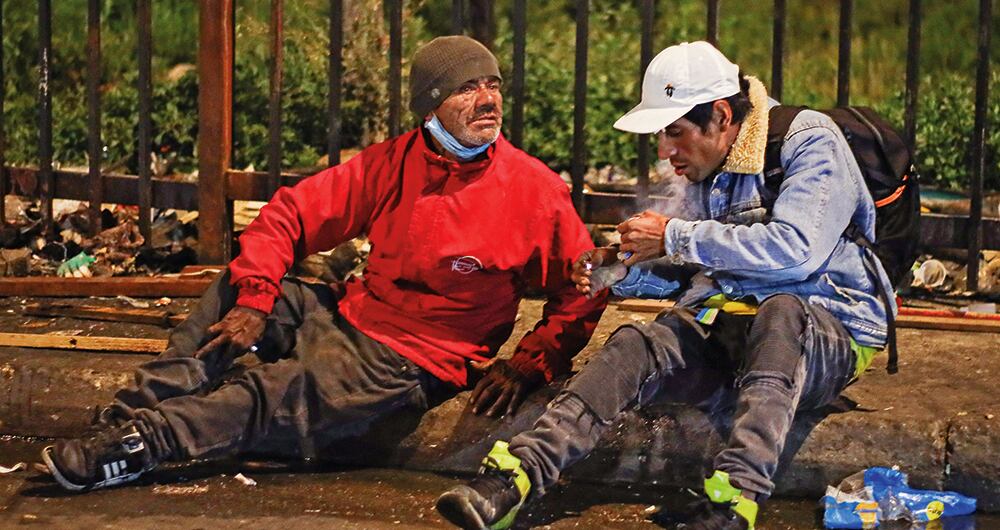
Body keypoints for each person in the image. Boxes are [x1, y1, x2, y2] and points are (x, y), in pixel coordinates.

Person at [42, 35, 607, 493]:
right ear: (430, 104)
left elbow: (587, 284)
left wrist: (532, 364)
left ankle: (145, 445)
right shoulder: (395, 161)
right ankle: (123, 418)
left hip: (415, 356)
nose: (487, 99)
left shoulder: (532, 190)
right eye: (466, 87)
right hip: (350, 311)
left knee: (276, 393)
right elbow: (289, 213)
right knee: (233, 291)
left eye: (492, 84)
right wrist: (258, 299)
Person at [435, 40, 895, 530]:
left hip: (825, 338)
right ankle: (513, 479)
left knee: (782, 312)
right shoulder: (706, 166)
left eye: (675, 132)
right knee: (637, 341)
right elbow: (693, 267)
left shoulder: (810, 142)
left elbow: (796, 250)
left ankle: (732, 504)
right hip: (734, 329)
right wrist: (618, 270)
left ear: (720, 115)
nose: (664, 150)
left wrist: (673, 235)